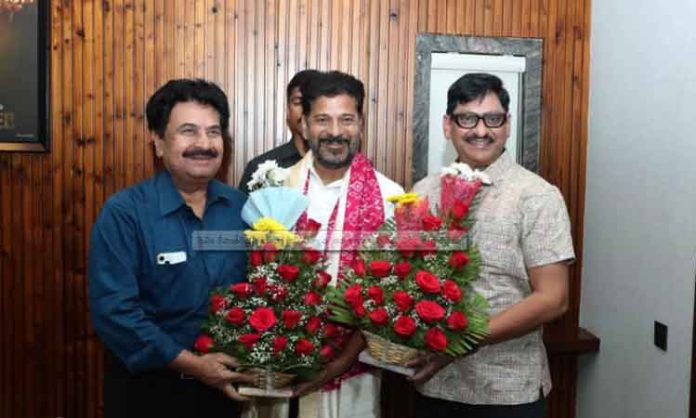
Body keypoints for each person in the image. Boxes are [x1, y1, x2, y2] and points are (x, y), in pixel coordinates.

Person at [410, 73, 575, 418]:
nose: (481, 130)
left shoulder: (537, 196)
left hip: (507, 391)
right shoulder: (424, 192)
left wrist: (459, 341)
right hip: (434, 384)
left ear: (508, 125)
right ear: (447, 125)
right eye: (467, 118)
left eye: (493, 119)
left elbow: (553, 299)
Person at [88, 79, 255, 418]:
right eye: (189, 131)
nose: (204, 144)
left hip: (225, 390)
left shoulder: (244, 210)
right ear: (158, 141)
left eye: (213, 132)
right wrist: (195, 365)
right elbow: (115, 312)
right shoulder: (125, 213)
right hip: (149, 392)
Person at [286, 70, 404, 418]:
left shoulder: (390, 196)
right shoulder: (276, 189)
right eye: (323, 119)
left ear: (361, 125)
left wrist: (338, 362)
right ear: (304, 125)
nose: (335, 132)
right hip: (279, 364)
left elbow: (389, 294)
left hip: (354, 367)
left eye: (346, 119)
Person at [239, 69, 321, 194]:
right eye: (298, 102)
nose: (306, 110)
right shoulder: (260, 168)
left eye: (313, 102)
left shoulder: (341, 167)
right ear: (288, 110)